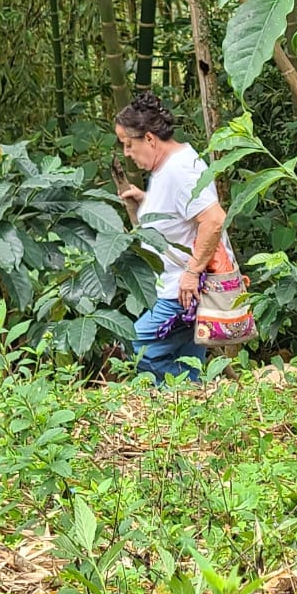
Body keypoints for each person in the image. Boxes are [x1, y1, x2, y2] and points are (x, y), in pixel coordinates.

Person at [114, 94, 232, 384]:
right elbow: (182, 213)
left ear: (149, 138)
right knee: (186, 362)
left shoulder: (180, 170)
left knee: (137, 345)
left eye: (128, 144)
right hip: (179, 288)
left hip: (184, 290)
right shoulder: (168, 165)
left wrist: (192, 273)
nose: (127, 153)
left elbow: (214, 219)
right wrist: (145, 201)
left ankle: (197, 392)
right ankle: (194, 400)